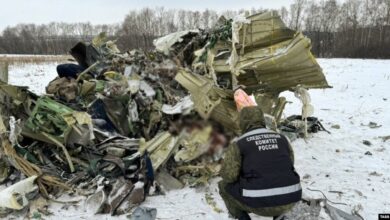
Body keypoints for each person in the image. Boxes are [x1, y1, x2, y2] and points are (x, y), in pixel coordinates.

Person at [219, 106, 301, 220]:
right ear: (262, 120)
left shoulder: (239, 143)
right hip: (292, 198)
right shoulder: (282, 138)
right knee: (278, 177)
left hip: (259, 204)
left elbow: (229, 177)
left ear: (242, 122)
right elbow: (289, 163)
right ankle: (280, 216)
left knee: (223, 186)